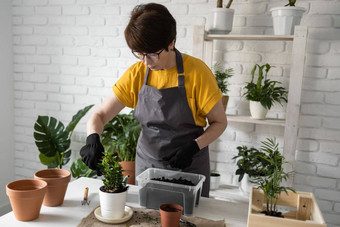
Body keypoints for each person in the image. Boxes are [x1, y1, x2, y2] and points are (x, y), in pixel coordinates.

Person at [80, 3, 227, 197]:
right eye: (139, 53)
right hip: (148, 167)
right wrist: (93, 139)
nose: (146, 62)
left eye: (152, 54)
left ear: (171, 43)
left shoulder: (198, 73)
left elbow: (220, 122)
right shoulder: (137, 74)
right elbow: (100, 115)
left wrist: (194, 146)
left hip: (189, 168)